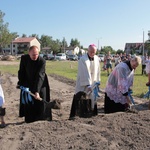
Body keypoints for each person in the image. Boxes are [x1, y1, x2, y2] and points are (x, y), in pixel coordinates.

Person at [17, 45, 51, 123]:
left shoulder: (42, 61)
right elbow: (21, 71)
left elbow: (40, 75)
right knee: (29, 100)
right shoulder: (24, 59)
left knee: (40, 99)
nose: (35, 56)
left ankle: (41, 118)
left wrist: (37, 91)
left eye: (37, 54)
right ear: (29, 53)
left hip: (41, 82)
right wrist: (20, 83)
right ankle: (29, 119)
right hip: (28, 81)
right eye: (33, 55)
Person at [69, 44, 100, 119]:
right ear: (88, 51)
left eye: (94, 52)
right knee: (81, 96)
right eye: (91, 52)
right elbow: (84, 72)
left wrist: (97, 81)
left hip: (93, 82)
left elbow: (98, 71)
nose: (92, 53)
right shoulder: (83, 59)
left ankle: (91, 114)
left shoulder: (97, 58)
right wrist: (88, 84)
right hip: (83, 83)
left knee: (92, 98)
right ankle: (77, 115)